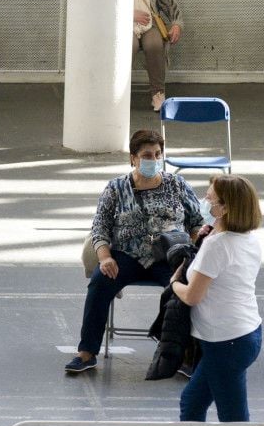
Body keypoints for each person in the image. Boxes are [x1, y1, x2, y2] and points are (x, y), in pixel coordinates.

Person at [143, 175, 264, 426]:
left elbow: (193, 295)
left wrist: (175, 283)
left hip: (225, 343)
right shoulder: (245, 240)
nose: (205, 202)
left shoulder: (218, 246)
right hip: (243, 336)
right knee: (192, 403)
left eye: (210, 199)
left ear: (225, 207)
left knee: (234, 422)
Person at [65, 129, 203, 373]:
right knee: (100, 282)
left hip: (169, 257)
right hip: (127, 255)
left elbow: (197, 223)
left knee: (184, 290)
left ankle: (185, 356)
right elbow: (100, 228)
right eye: (147, 155)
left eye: (158, 154)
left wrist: (193, 254)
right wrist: (105, 257)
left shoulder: (177, 185)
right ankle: (86, 353)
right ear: (133, 158)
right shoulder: (116, 188)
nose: (153, 159)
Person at [132, 0, 183, 112]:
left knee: (154, 44)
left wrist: (176, 23)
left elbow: (170, 3)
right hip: (125, 26)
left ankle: (158, 94)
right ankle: (116, 93)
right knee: (126, 46)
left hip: (150, 24)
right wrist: (130, 15)